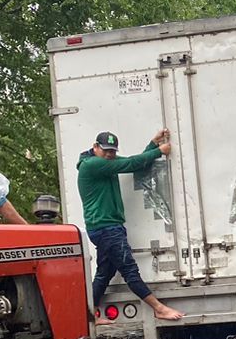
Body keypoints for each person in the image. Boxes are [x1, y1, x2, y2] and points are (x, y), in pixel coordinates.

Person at [77, 130, 184, 322]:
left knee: (105, 272)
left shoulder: (104, 163)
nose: (110, 154)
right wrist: (159, 151)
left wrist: (152, 145)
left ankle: (87, 316)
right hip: (106, 228)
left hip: (106, 227)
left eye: (112, 151)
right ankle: (158, 308)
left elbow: (136, 162)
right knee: (129, 270)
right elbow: (130, 163)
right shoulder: (92, 165)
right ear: (95, 147)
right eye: (106, 150)